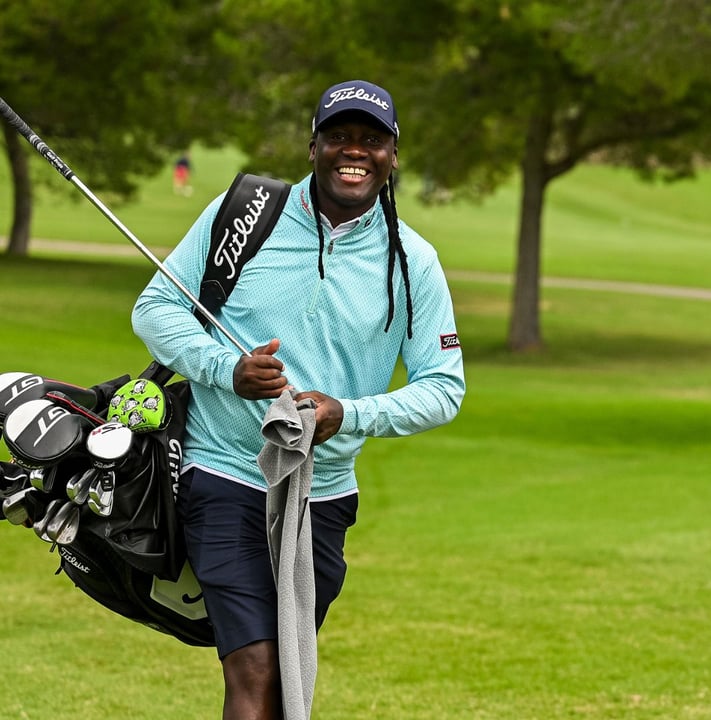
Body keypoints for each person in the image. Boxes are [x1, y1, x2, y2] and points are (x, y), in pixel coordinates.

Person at [132, 80, 466, 720]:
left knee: (287, 679)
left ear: (393, 156)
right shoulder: (245, 215)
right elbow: (157, 308)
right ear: (313, 144)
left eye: (373, 141)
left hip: (323, 493)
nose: (355, 151)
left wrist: (349, 412)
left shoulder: (412, 262)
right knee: (254, 669)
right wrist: (227, 368)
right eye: (339, 136)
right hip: (224, 471)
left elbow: (443, 388)